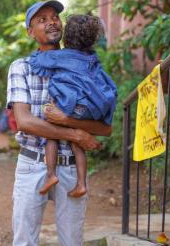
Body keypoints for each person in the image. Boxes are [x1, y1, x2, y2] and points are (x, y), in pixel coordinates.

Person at [6, 0, 111, 245]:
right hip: (32, 163)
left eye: (54, 17)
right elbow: (24, 121)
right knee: (24, 240)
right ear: (30, 32)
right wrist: (76, 134)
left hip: (73, 168)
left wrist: (66, 120)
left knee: (72, 241)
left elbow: (105, 128)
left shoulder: (83, 67)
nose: (51, 22)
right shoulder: (21, 67)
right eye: (41, 20)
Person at [33, 14, 117, 198]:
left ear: (67, 36)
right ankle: (81, 183)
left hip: (70, 105)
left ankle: (51, 174)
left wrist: (34, 56)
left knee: (51, 133)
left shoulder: (61, 56)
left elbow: (41, 61)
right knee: (77, 141)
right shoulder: (93, 58)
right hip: (87, 108)